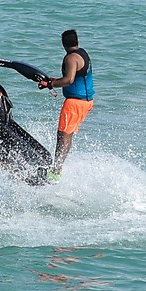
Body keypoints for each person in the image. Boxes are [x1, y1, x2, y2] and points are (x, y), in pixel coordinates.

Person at [35, 29, 93, 181]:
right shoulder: (83, 53)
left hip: (75, 103)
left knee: (62, 136)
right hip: (85, 102)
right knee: (67, 135)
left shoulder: (71, 58)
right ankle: (57, 168)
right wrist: (53, 81)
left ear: (63, 44)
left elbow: (69, 80)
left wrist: (51, 84)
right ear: (77, 41)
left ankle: (55, 171)